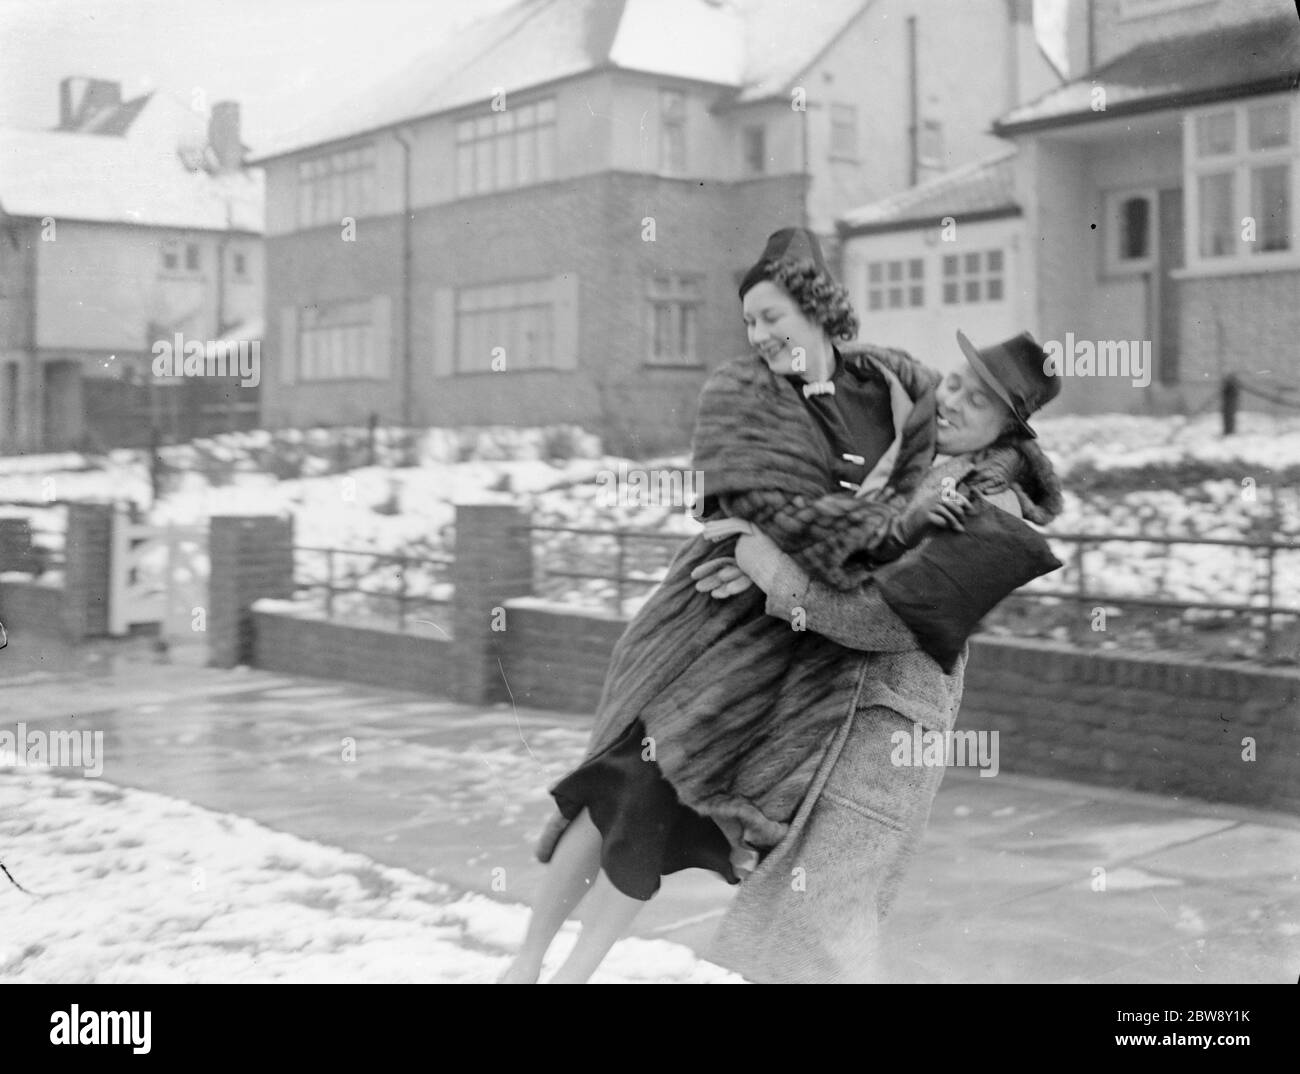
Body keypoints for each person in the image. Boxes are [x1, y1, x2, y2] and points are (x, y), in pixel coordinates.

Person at [500, 228, 1013, 984]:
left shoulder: (896, 387)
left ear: (818, 310)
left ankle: (573, 970)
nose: (759, 335)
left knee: (670, 811)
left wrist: (788, 552)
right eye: (749, 322)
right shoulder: (741, 395)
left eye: (773, 317)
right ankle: (528, 961)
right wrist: (765, 547)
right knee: (625, 780)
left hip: (801, 648)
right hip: (716, 628)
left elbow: (981, 436)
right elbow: (745, 506)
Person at [693, 329, 1064, 982]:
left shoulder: (995, 518)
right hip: (834, 720)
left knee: (822, 933)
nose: (951, 402)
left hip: (882, 747)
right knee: (776, 930)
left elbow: (882, 620)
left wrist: (763, 561)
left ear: (1009, 431)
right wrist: (755, 566)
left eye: (978, 402)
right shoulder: (916, 468)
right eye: (954, 382)